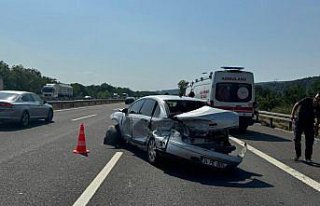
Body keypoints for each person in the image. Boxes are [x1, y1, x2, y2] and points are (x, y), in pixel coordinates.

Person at [290, 93, 320, 163]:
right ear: (314, 97)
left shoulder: (318, 107)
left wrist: (316, 128)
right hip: (299, 122)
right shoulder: (307, 100)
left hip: (309, 124)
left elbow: (318, 119)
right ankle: (298, 154)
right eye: (316, 98)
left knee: (309, 141)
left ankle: (308, 157)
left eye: (319, 100)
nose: (316, 100)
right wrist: (292, 114)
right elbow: (297, 104)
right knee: (296, 139)